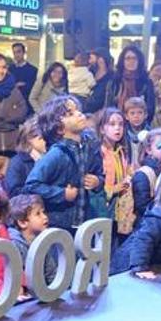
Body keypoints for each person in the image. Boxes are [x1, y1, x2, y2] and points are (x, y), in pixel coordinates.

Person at [24, 95, 103, 232]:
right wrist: (61, 194)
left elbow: (99, 173)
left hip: (85, 220)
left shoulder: (91, 145)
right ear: (59, 128)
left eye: (77, 110)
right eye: (70, 114)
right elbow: (31, 185)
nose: (79, 114)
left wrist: (97, 182)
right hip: (61, 223)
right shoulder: (56, 154)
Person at [96, 108, 136, 256]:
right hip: (105, 205)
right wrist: (113, 188)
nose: (117, 128)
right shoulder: (99, 152)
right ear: (101, 128)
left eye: (120, 124)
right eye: (112, 124)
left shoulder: (121, 151)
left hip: (120, 205)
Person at [8, 194, 55, 284]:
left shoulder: (42, 241)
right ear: (22, 222)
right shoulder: (15, 245)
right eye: (38, 214)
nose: (45, 217)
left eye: (43, 212)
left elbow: (51, 273)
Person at [108, 45, 155, 124]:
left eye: (134, 58)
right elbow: (108, 106)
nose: (131, 61)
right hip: (118, 124)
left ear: (139, 61)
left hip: (139, 126)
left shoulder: (146, 82)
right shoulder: (115, 81)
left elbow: (150, 108)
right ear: (122, 61)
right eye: (128, 58)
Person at [131, 127, 161, 229]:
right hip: (147, 226)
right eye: (160, 147)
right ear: (149, 150)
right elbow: (142, 207)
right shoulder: (143, 174)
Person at [5, 117, 45, 197]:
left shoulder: (55, 156)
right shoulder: (17, 162)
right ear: (29, 139)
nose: (46, 140)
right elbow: (14, 192)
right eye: (41, 137)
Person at [9, 42, 39, 113]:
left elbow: (34, 88)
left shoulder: (33, 70)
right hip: (12, 105)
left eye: (18, 52)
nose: (16, 55)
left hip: (27, 105)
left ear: (24, 52)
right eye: (14, 52)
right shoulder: (10, 69)